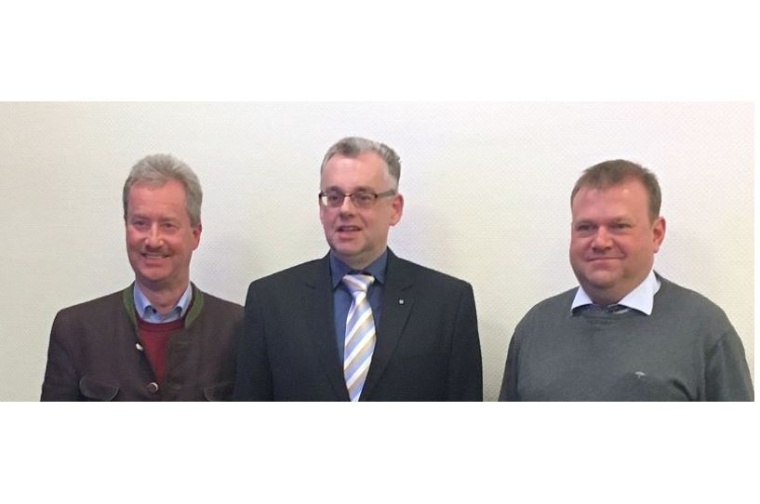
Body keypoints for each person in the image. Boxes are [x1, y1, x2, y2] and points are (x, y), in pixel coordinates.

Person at [234, 136, 482, 401]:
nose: (345, 209)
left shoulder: (448, 304)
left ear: (395, 209)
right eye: (333, 197)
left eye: (363, 197)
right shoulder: (271, 301)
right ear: (321, 208)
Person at [500, 159, 753, 401]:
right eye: (586, 227)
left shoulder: (705, 330)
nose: (600, 242)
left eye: (619, 226)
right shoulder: (536, 327)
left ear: (656, 234)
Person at [41, 154, 243, 401]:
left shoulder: (240, 329)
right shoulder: (76, 330)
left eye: (168, 225)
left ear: (195, 234)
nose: (153, 240)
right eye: (140, 223)